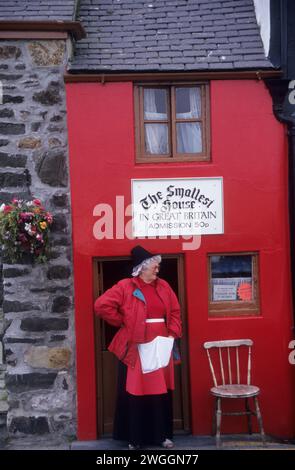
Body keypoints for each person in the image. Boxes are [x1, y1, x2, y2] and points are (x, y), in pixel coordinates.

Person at [94, 245, 182, 449]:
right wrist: (123, 322)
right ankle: (136, 439)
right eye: (155, 266)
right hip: (137, 345)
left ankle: (162, 436)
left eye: (158, 266)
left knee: (161, 390)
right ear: (142, 268)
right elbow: (101, 305)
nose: (158, 270)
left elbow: (176, 312)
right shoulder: (126, 286)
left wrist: (171, 333)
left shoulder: (164, 286)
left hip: (161, 343)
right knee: (137, 391)